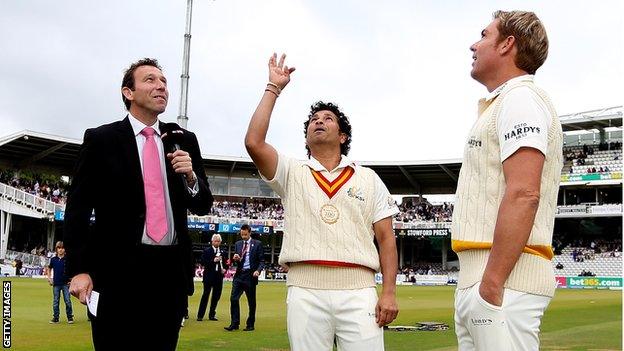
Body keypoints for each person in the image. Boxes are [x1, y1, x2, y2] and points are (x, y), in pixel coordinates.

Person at [244, 53, 399, 350]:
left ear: (342, 136)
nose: (319, 121)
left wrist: (389, 292)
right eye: (314, 120)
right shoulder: (291, 172)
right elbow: (254, 142)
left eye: (328, 119)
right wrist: (273, 88)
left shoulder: (367, 177)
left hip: (359, 289)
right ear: (306, 138)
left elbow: (386, 239)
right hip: (305, 288)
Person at [64, 58, 213, 351]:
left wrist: (191, 177)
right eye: (150, 80)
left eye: (164, 81)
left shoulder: (183, 140)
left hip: (169, 274)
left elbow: (203, 205)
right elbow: (78, 210)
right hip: (116, 275)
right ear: (128, 93)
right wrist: (79, 269)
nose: (161, 86)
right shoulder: (101, 139)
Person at [451, 11, 563, 351]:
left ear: (507, 44)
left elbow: (525, 192)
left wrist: (492, 283)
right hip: (485, 280)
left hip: (504, 283)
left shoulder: (521, 99)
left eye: (484, 35)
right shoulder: (502, 103)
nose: (474, 44)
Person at [224, 225, 264, 332]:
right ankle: (234, 323)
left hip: (250, 276)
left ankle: (250, 324)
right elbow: (236, 259)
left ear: (250, 232)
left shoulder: (257, 244)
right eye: (242, 234)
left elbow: (262, 261)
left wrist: (258, 270)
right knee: (233, 298)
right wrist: (235, 258)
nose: (244, 236)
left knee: (251, 302)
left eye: (245, 234)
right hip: (239, 275)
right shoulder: (238, 244)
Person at [197, 233, 226, 321]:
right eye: (215, 241)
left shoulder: (223, 251)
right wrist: (213, 260)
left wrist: (224, 269)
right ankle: (200, 315)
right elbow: (202, 262)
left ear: (220, 242)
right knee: (205, 295)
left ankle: (212, 315)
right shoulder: (207, 251)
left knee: (216, 296)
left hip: (218, 277)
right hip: (209, 277)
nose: (217, 243)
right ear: (212, 241)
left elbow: (226, 263)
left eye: (218, 241)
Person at [47, 241, 74, 324]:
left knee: (68, 301)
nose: (61, 250)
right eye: (59, 248)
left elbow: (73, 270)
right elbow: (49, 268)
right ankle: (56, 318)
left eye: (62, 248)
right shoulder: (53, 259)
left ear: (64, 249)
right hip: (56, 283)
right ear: (56, 249)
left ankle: (70, 317)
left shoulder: (68, 259)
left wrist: (72, 280)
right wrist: (49, 278)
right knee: (56, 301)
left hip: (66, 283)